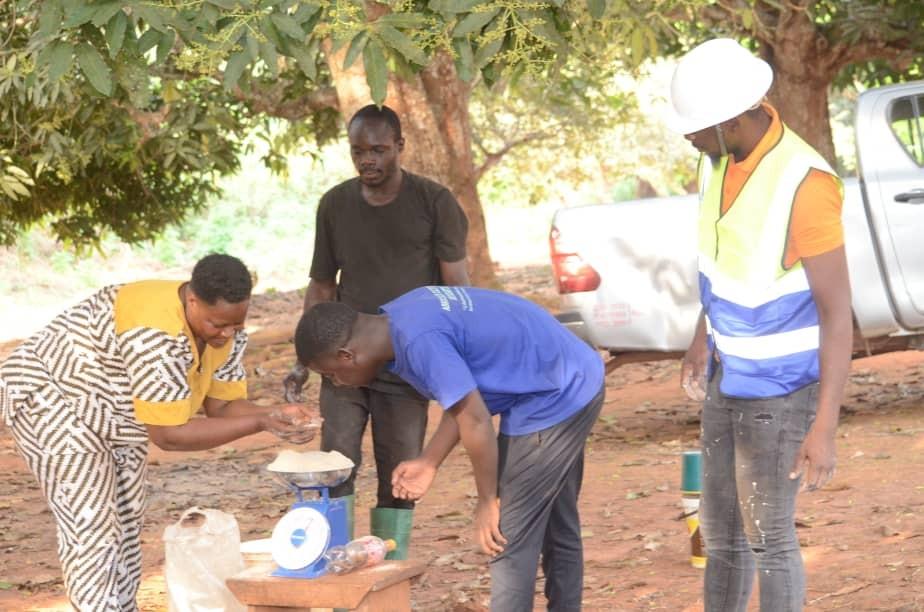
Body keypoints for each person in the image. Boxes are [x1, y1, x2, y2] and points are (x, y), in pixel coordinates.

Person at [0, 254, 318, 611]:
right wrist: (260, 423)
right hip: (53, 399)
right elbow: (169, 435)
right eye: (218, 324)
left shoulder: (225, 329)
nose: (227, 334)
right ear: (192, 301)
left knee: (126, 514)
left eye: (236, 325)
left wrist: (272, 414)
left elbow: (222, 407)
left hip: (117, 410)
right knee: (92, 523)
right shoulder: (153, 334)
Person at [666, 39, 853, 611]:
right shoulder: (716, 158)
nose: (687, 138)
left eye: (695, 128)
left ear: (728, 120)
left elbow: (837, 311)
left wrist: (824, 426)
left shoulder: (805, 184)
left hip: (783, 390)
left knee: (769, 539)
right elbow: (721, 262)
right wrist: (702, 339)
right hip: (728, 376)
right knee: (720, 536)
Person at [294, 286, 605, 611]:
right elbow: (463, 401)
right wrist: (429, 461)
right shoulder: (401, 316)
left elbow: (475, 419)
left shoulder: (418, 342)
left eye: (331, 375)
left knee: (506, 538)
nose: (338, 383)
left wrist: (488, 500)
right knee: (557, 521)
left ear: (347, 355)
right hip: (572, 372)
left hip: (554, 394)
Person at [283, 104, 470, 558]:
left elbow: (457, 284)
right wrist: (303, 360)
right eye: (358, 151)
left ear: (400, 148)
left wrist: (462, 347)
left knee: (400, 470)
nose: (368, 160)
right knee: (337, 461)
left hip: (405, 360)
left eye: (379, 150)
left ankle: (388, 564)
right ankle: (337, 561)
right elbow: (323, 284)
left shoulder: (434, 202)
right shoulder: (335, 205)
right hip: (342, 359)